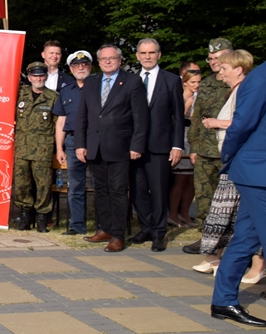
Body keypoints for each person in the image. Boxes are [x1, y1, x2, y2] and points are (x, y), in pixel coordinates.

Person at [208, 44, 266, 328]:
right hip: (258, 172)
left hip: (264, 170)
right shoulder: (261, 78)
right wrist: (231, 159)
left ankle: (223, 300)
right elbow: (241, 125)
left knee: (247, 238)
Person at [194, 50, 266, 283]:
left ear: (239, 69)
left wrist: (216, 123)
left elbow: (244, 122)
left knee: (242, 216)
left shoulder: (248, 88)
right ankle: (218, 259)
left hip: (240, 159)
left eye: (224, 68)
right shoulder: (234, 89)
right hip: (233, 158)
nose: (220, 73)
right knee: (227, 214)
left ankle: (256, 266)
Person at [75, 44, 148, 252]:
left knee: (117, 190)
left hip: (120, 147)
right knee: (100, 190)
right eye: (104, 59)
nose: (108, 61)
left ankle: (118, 234)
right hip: (95, 147)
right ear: (98, 62)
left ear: (120, 60)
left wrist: (136, 145)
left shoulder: (132, 82)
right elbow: (83, 115)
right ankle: (104, 228)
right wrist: (80, 144)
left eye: (112, 58)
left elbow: (140, 118)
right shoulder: (90, 82)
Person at [128, 38, 184, 252]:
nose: (147, 56)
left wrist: (177, 145)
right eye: (143, 53)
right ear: (137, 56)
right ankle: (146, 227)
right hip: (134, 146)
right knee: (138, 190)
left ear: (159, 54)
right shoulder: (131, 81)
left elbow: (178, 116)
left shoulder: (171, 80)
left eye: (151, 52)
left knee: (159, 190)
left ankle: (159, 232)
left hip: (161, 145)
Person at [185, 38, 234, 253]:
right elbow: (196, 119)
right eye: (211, 58)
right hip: (205, 151)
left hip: (228, 151)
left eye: (218, 58)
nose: (213, 62)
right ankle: (206, 240)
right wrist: (193, 146)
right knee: (204, 199)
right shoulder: (205, 83)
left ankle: (231, 242)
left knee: (229, 203)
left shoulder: (240, 82)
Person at [12, 62, 60, 232]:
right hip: (22, 148)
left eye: (41, 75)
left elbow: (57, 125)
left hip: (42, 149)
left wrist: (58, 148)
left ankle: (42, 217)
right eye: (34, 75)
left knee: (43, 184)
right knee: (21, 184)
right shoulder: (19, 94)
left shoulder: (53, 97)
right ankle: (25, 215)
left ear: (45, 76)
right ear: (29, 77)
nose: (38, 78)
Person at [53, 50, 93, 235]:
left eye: (84, 64)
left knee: (100, 186)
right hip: (71, 140)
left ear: (90, 66)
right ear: (70, 68)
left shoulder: (98, 86)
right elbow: (61, 121)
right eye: (76, 65)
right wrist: (59, 147)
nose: (80, 67)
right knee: (75, 187)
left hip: (95, 140)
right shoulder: (66, 90)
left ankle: (104, 226)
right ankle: (77, 226)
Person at [169, 64, 202, 227]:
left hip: (195, 138)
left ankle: (185, 212)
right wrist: (187, 108)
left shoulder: (199, 97)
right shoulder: (180, 97)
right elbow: (175, 119)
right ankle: (173, 213)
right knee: (181, 178)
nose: (196, 85)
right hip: (182, 137)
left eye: (198, 82)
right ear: (185, 82)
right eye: (193, 82)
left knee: (191, 179)